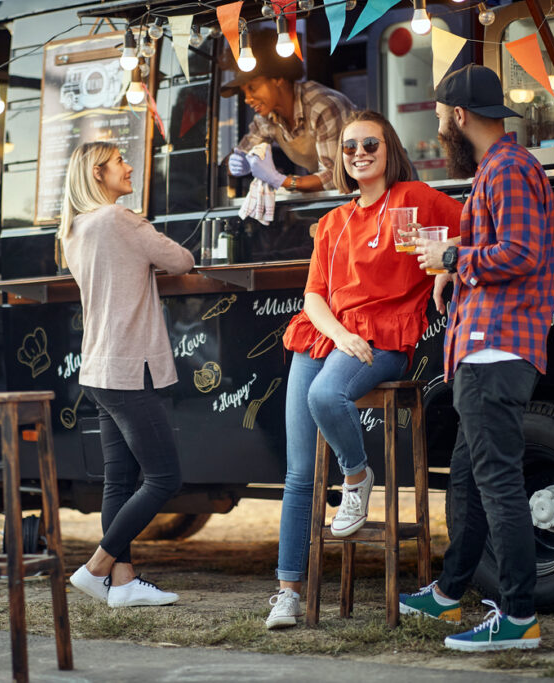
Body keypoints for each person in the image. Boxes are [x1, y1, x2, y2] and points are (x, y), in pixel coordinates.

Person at [265, 110, 462, 629]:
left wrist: (443, 268)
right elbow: (313, 297)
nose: (358, 153)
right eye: (349, 147)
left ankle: (357, 475)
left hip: (387, 337)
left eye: (369, 143)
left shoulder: (413, 200)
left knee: (326, 398)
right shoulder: (333, 222)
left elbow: (473, 227)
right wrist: (340, 335)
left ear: (388, 147)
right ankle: (288, 591)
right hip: (329, 335)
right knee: (299, 473)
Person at [403, 64, 554, 652]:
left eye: (441, 115)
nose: (440, 124)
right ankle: (448, 595)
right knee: (468, 481)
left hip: (496, 348)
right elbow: (500, 246)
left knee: (497, 485)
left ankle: (518, 617)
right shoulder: (501, 168)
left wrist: (453, 261)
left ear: (459, 116)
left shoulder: (510, 169)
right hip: (481, 346)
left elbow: (518, 252)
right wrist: (456, 262)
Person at [59, 141, 195, 608]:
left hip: (98, 367)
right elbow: (182, 261)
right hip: (127, 369)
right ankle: (97, 568)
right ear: (99, 173)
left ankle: (123, 583)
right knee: (164, 478)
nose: (130, 166)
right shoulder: (118, 220)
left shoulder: (75, 229)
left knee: (118, 480)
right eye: (121, 162)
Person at [221, 29, 355, 194]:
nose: (247, 99)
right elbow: (239, 154)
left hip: (359, 192)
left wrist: (280, 181)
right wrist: (236, 162)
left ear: (278, 78)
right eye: (244, 92)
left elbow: (335, 176)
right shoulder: (266, 119)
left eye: (252, 88)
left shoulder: (322, 107)